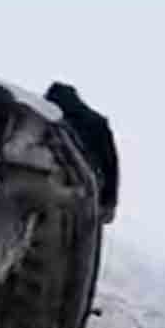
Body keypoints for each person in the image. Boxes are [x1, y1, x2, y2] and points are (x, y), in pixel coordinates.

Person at [44, 82, 119, 224]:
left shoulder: (54, 121)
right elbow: (111, 165)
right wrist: (110, 201)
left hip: (76, 184)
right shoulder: (97, 122)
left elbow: (110, 163)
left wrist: (109, 202)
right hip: (89, 188)